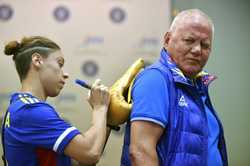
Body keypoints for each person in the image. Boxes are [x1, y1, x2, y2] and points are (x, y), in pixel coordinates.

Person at [121, 9, 228, 166]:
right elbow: (140, 152)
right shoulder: (156, 79)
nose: (197, 50)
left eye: (205, 45)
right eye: (189, 40)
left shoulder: (197, 87)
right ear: (167, 40)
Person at [2, 36, 111, 166]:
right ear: (37, 61)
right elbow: (90, 153)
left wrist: (107, 120)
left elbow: (80, 160)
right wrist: (100, 108)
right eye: (59, 64)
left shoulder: (19, 105)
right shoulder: (31, 111)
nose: (65, 74)